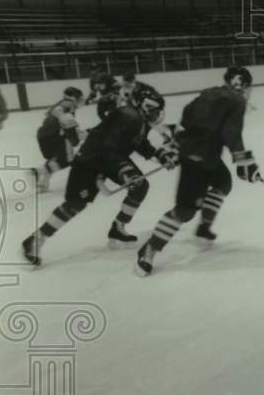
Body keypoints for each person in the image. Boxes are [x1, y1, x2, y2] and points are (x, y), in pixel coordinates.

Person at [21, 83, 178, 266]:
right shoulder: (128, 116)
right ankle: (34, 241)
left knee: (140, 186)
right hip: (91, 160)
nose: (156, 115)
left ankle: (118, 229)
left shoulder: (137, 119)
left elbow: (139, 143)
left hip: (107, 159)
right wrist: (124, 170)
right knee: (75, 204)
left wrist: (160, 155)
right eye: (153, 110)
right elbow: (107, 148)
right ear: (142, 105)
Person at [135, 66, 260, 276]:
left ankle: (203, 229)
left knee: (223, 183)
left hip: (203, 154)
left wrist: (179, 145)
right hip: (199, 159)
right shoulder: (237, 101)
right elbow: (231, 134)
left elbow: (187, 115)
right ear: (244, 85)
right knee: (185, 210)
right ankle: (149, 250)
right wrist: (245, 164)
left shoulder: (210, 92)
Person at [33, 86, 85, 192]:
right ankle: (37, 172)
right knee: (67, 160)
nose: (80, 100)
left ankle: (43, 183)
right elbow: (68, 127)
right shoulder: (67, 107)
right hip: (53, 136)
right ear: (73, 98)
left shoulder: (62, 104)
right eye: (78, 97)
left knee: (55, 160)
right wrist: (76, 139)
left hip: (44, 136)